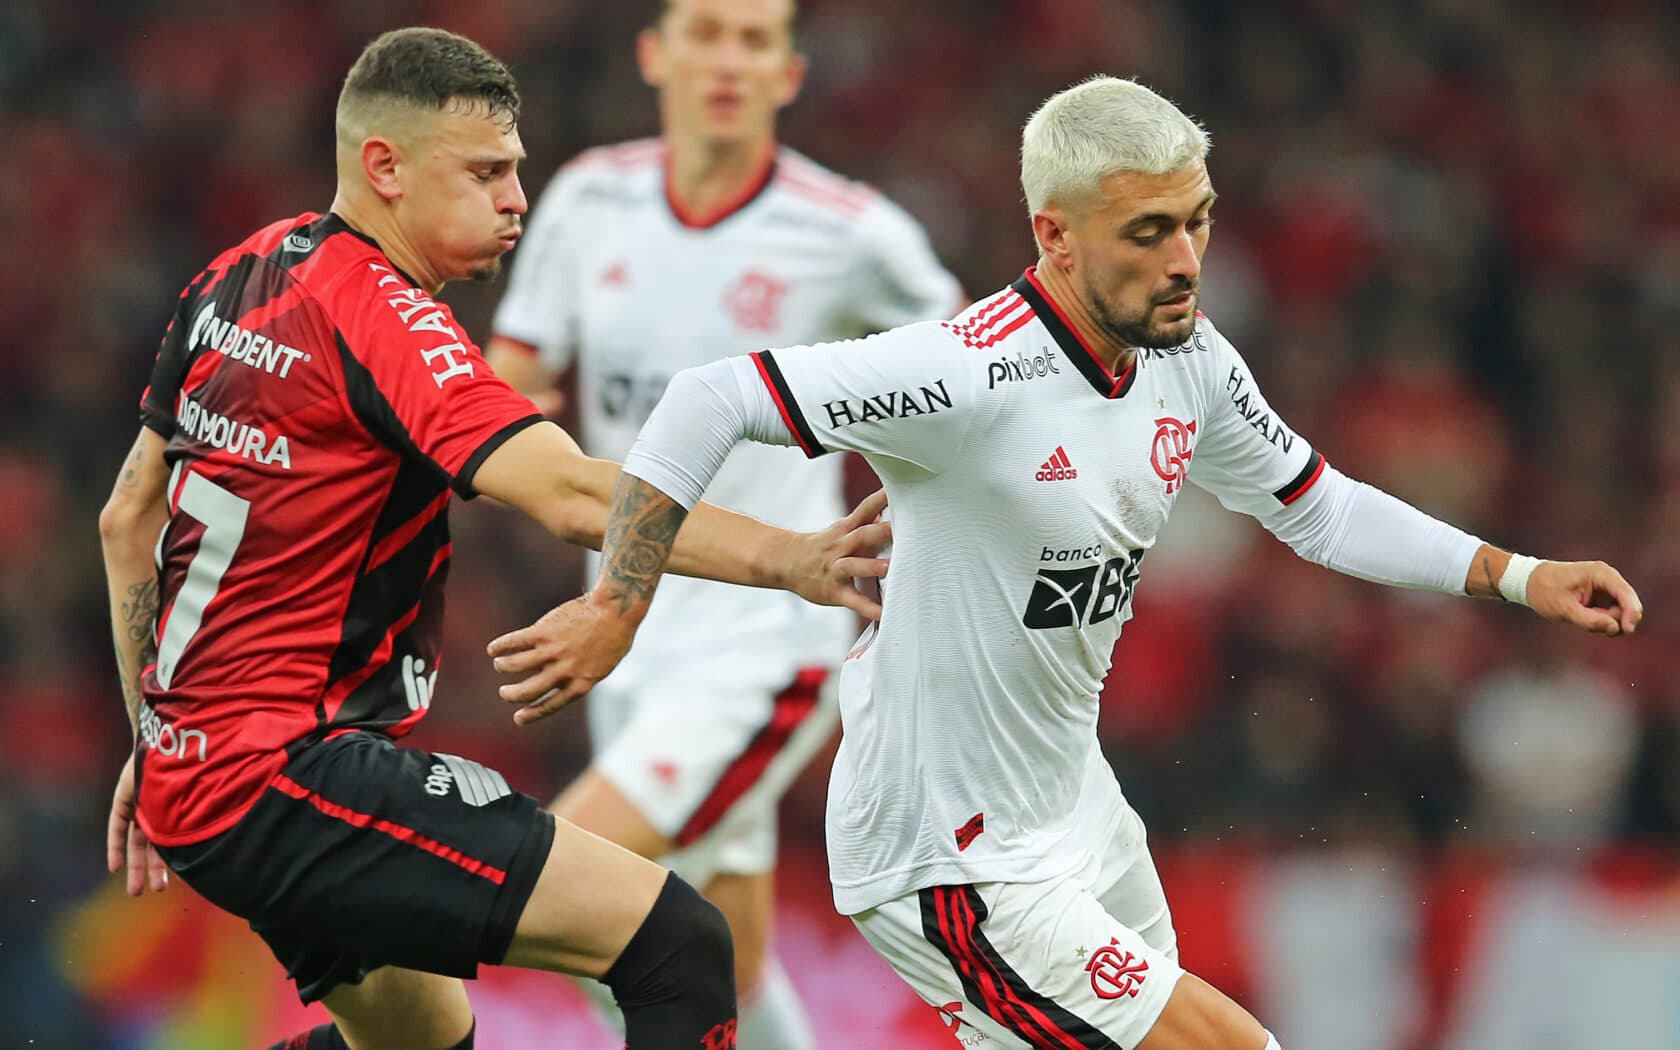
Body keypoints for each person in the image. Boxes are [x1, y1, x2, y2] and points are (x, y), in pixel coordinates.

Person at [486, 76, 1645, 1050]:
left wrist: (1518, 575)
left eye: (1197, 222)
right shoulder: (966, 375)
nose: (1185, 260)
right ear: (1055, 234)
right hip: (952, 857)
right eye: (1147, 233)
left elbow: (1318, 507)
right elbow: (712, 397)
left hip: (1076, 810)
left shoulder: (1188, 357)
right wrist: (621, 606)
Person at [98, 27, 890, 1050]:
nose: (516, 198)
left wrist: (157, 733)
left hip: (208, 773)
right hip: (287, 778)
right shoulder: (386, 317)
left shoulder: (237, 273)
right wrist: (792, 557)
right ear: (384, 168)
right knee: (678, 944)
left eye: (515, 170)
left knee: (420, 1041)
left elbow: (129, 517)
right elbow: (571, 493)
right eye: (485, 173)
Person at [483, 1, 961, 1044]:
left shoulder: (850, 233)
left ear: (789, 73)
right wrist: (503, 413)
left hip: (765, 642)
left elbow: (973, 375)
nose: (728, 60)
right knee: (727, 966)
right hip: (623, 631)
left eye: (754, 40)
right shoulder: (586, 200)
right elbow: (512, 371)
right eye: (706, 32)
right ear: (655, 54)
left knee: (551, 883)